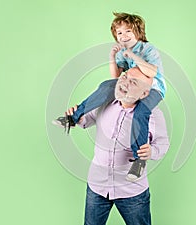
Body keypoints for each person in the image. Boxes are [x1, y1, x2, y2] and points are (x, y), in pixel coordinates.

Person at [53, 12, 166, 181]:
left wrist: (134, 56)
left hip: (153, 89)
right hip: (129, 86)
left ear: (138, 32)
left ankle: (139, 160)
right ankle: (73, 118)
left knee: (141, 112)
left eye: (128, 31)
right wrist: (112, 58)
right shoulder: (122, 52)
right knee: (106, 86)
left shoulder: (147, 49)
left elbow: (152, 72)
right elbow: (116, 78)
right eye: (119, 33)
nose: (123, 36)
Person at [66, 67, 169, 225]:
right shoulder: (104, 102)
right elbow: (87, 120)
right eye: (125, 76)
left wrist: (151, 152)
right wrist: (76, 117)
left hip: (131, 191)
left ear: (144, 94)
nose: (125, 83)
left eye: (133, 82)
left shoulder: (154, 115)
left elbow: (162, 144)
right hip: (97, 185)